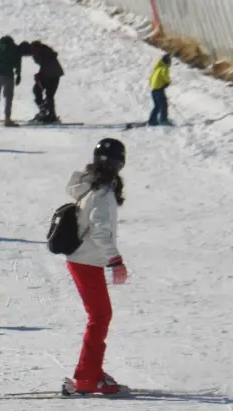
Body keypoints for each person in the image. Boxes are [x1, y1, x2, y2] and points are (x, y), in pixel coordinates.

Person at [64, 139, 129, 395]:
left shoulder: (91, 185)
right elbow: (100, 230)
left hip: (82, 259)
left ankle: (90, 371)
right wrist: (115, 260)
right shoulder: (102, 192)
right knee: (100, 317)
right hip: (86, 260)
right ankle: (88, 379)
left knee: (100, 316)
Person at [17, 40, 64, 123]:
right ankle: (48, 113)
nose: (27, 56)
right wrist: (40, 75)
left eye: (25, 54)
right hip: (53, 73)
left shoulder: (36, 51)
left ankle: (48, 114)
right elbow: (45, 63)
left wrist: (39, 75)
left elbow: (45, 63)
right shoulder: (38, 49)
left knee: (41, 92)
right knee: (44, 93)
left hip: (51, 74)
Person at [148, 54, 172, 126]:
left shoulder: (157, 69)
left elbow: (150, 80)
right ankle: (163, 120)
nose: (170, 63)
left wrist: (158, 84)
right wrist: (167, 82)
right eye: (169, 61)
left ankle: (152, 120)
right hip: (159, 90)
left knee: (157, 106)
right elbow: (164, 75)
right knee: (164, 105)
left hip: (153, 90)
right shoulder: (164, 68)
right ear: (167, 61)